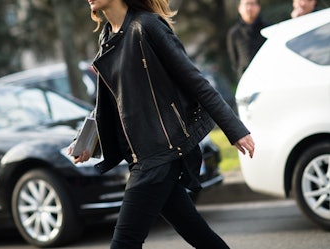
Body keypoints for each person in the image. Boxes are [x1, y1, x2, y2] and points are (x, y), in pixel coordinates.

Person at [69, 0, 255, 248]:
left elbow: (195, 80)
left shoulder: (146, 27)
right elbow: (107, 103)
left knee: (124, 242)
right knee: (198, 233)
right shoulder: (107, 37)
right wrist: (87, 142)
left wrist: (235, 130)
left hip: (160, 154)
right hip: (141, 155)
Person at [227, 0, 268, 80]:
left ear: (258, 7)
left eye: (252, 4)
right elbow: (235, 60)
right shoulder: (234, 33)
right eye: (246, 4)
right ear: (239, 8)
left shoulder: (268, 28)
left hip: (268, 75)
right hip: (247, 79)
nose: (249, 8)